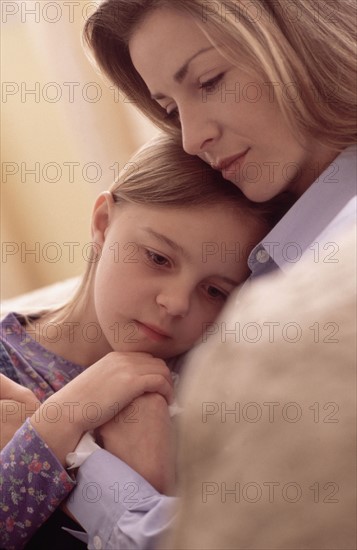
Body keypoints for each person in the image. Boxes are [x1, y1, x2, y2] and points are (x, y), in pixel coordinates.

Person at [51, 0, 355, 548]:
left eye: (209, 81)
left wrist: (77, 455)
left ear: (297, 38)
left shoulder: (332, 272)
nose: (191, 138)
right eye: (169, 108)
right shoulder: (270, 241)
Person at [0, 134, 287, 549]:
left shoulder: (216, 397)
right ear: (103, 223)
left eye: (214, 291)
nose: (175, 304)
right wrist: (58, 423)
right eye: (158, 257)